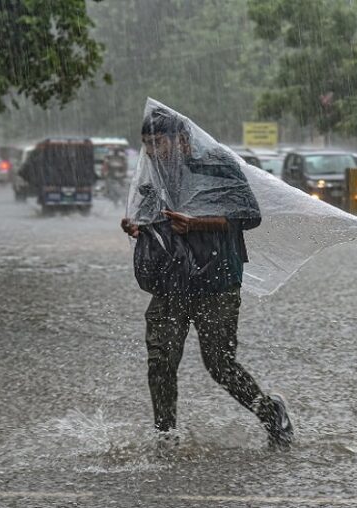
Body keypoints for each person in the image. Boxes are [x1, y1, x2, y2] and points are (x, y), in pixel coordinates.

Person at [120, 108, 294, 448]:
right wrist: (138, 228)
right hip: (172, 280)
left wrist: (197, 223)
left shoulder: (217, 165)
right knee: (160, 361)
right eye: (147, 145)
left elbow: (250, 216)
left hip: (216, 280)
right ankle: (166, 437)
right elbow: (155, 218)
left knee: (219, 364)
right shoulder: (154, 175)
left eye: (159, 143)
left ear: (182, 140)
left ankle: (271, 413)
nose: (153, 152)